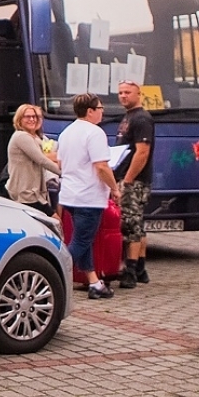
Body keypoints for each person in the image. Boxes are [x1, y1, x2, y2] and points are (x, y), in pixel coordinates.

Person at [56, 92, 118, 299]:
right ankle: (51, 274)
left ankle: (94, 283)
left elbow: (60, 164)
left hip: (70, 195)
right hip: (88, 196)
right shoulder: (95, 133)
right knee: (81, 242)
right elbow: (101, 166)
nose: (102, 112)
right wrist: (115, 189)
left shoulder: (66, 132)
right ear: (90, 111)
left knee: (84, 239)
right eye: (100, 108)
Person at [114, 80, 155, 289]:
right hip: (125, 177)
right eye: (120, 92)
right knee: (137, 223)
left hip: (134, 181)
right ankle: (140, 268)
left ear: (138, 94)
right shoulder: (128, 116)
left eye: (127, 92)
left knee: (130, 224)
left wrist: (128, 180)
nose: (123, 96)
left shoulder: (141, 118)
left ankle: (130, 271)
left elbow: (142, 152)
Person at [7, 104, 60, 214]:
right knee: (55, 221)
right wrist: (63, 172)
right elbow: (42, 160)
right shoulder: (21, 136)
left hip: (35, 193)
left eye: (34, 117)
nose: (32, 119)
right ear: (19, 119)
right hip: (26, 194)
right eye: (27, 117)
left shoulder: (35, 137)